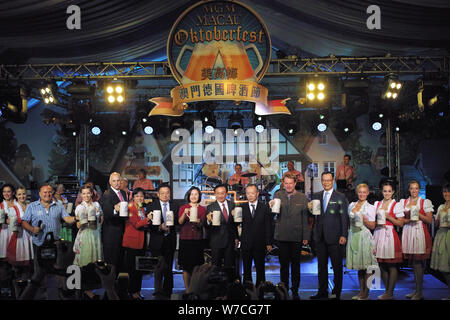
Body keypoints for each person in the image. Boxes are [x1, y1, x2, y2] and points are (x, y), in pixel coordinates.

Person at [21, 184, 76, 299]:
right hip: (39, 244)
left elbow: (67, 219)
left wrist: (76, 218)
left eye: (49, 192)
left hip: (55, 244)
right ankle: (40, 295)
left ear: (52, 193)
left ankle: (55, 295)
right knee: (39, 272)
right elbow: (24, 222)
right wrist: (32, 229)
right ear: (40, 194)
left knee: (56, 271)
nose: (47, 194)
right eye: (45, 192)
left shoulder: (59, 205)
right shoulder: (32, 206)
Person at [309, 171, 349, 300]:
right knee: (321, 267)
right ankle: (322, 291)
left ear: (333, 181)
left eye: (328, 180)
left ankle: (336, 292)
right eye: (324, 180)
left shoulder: (340, 196)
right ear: (321, 181)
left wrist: (344, 234)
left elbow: (344, 217)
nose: (326, 182)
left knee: (337, 266)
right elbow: (313, 216)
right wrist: (309, 208)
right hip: (320, 236)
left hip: (335, 236)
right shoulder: (316, 195)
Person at [269, 174, 309, 299]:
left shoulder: (302, 197)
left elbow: (305, 218)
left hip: (296, 236)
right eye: (286, 183)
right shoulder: (277, 195)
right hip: (282, 236)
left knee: (296, 265)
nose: (288, 185)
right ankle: (283, 289)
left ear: (295, 183)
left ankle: (295, 289)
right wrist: (270, 207)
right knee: (283, 265)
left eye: (290, 183)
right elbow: (273, 216)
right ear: (283, 183)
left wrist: (306, 236)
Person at [400, 180, 433, 300]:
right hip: (408, 231)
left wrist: (417, 213)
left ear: (419, 190)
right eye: (412, 188)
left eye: (416, 188)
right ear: (409, 189)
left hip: (419, 231)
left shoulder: (424, 202)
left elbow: (429, 220)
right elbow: (401, 220)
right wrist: (408, 220)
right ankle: (416, 291)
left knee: (418, 263)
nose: (414, 191)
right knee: (413, 263)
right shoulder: (404, 202)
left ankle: (419, 292)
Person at [373, 181, 405, 300]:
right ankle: (387, 292)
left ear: (393, 192)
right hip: (378, 234)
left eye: (389, 191)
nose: (387, 193)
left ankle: (390, 292)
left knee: (391, 265)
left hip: (389, 235)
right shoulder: (377, 204)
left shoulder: (396, 205)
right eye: (385, 191)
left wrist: (389, 217)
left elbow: (401, 223)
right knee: (381, 264)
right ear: (382, 191)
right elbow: (374, 221)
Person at [146, 184, 179, 299]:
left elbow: (178, 223)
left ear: (170, 194)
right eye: (163, 193)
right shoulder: (151, 206)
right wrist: (160, 227)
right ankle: (158, 291)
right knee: (158, 268)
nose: (165, 195)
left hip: (170, 240)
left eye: (167, 193)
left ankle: (168, 291)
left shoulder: (175, 206)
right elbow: (149, 225)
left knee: (169, 268)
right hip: (157, 240)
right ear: (158, 194)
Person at [346, 183, 377, 300]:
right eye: (360, 192)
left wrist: (364, 219)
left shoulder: (370, 207)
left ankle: (366, 293)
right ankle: (361, 291)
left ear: (368, 193)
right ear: (357, 193)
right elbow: (349, 222)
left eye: (364, 192)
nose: (362, 194)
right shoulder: (351, 205)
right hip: (354, 235)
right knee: (360, 267)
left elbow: (373, 226)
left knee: (368, 266)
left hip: (364, 236)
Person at [73, 185, 104, 300]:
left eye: (88, 193)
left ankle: (90, 288)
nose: (86, 196)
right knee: (84, 262)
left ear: (92, 194)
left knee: (94, 262)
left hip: (95, 235)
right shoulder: (79, 207)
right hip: (85, 235)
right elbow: (77, 225)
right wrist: (83, 221)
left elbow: (101, 217)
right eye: (83, 194)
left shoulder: (97, 205)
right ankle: (84, 289)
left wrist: (99, 226)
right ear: (81, 195)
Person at [241, 184, 273, 288]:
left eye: (252, 193)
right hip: (246, 243)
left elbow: (268, 226)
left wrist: (269, 243)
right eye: (248, 193)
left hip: (260, 243)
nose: (250, 195)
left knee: (260, 268)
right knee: (246, 269)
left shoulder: (264, 207)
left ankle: (261, 289)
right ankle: (247, 290)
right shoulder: (241, 208)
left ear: (257, 194)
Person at [122, 188, 150, 300]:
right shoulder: (130, 207)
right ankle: (132, 292)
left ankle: (137, 291)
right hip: (132, 243)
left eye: (142, 196)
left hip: (141, 242)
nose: (140, 198)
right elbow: (136, 224)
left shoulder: (141, 208)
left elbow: (144, 224)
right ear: (133, 197)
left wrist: (147, 221)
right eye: (137, 196)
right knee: (133, 269)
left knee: (140, 268)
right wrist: (148, 219)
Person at [178, 186, 206, 292]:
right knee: (186, 266)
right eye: (192, 194)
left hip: (197, 240)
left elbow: (202, 225)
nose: (194, 196)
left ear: (199, 196)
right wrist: (185, 214)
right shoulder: (183, 207)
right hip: (185, 239)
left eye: (196, 194)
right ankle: (187, 290)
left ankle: (194, 288)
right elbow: (180, 222)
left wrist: (198, 222)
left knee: (196, 266)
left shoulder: (203, 209)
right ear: (189, 196)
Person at [99, 172, 128, 273]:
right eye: (114, 181)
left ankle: (118, 285)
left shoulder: (123, 193)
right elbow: (106, 214)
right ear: (110, 182)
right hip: (111, 233)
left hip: (121, 231)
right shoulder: (107, 194)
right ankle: (110, 287)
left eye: (118, 180)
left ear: (121, 181)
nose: (116, 183)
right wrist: (115, 209)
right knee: (111, 261)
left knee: (120, 260)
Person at [205, 184, 239, 271]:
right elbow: (207, 226)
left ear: (226, 193)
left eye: (222, 193)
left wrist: (236, 237)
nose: (220, 195)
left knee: (229, 267)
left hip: (230, 241)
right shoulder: (210, 207)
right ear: (215, 194)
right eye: (218, 193)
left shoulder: (232, 205)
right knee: (215, 267)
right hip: (216, 241)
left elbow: (234, 225)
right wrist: (208, 220)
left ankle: (229, 284)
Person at [430, 183, 450, 300]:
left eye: (448, 191)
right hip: (442, 235)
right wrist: (435, 221)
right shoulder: (441, 207)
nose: (446, 194)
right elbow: (437, 223)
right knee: (444, 268)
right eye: (444, 191)